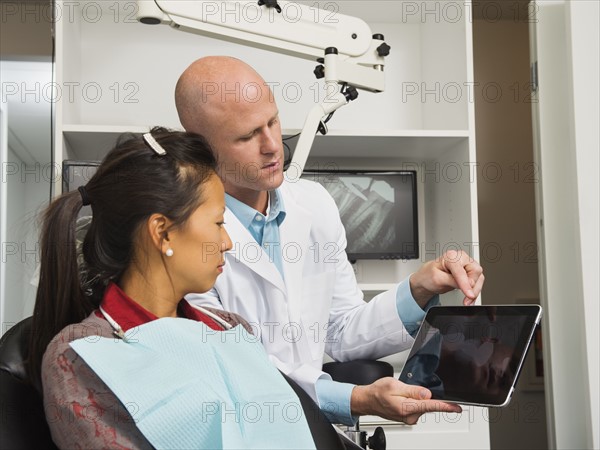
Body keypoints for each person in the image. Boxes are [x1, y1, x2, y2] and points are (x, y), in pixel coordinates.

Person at [175, 56, 483, 425]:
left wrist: (419, 288)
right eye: (247, 136)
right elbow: (236, 370)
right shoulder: (187, 236)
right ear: (199, 147)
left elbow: (340, 331)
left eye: (272, 121)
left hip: (312, 431)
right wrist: (354, 398)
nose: (273, 145)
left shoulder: (314, 203)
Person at [28, 128, 326, 449]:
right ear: (163, 233)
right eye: (218, 223)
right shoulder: (79, 355)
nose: (226, 242)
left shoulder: (228, 328)